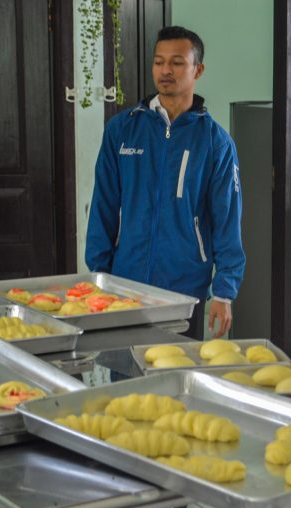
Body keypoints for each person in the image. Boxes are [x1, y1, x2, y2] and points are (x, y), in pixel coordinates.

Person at [85, 26, 245, 340]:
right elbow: (103, 206)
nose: (165, 70)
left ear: (198, 69)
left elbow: (227, 220)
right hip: (125, 285)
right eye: (159, 62)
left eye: (177, 62)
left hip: (185, 289)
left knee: (177, 366)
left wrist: (224, 292)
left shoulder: (215, 142)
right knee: (124, 368)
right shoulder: (122, 130)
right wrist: (99, 276)